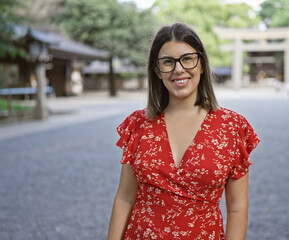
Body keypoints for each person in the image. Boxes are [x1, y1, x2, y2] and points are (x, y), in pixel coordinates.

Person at [107, 23, 260, 240]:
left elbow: (237, 205)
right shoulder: (138, 124)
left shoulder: (232, 126)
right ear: (157, 71)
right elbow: (125, 198)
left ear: (202, 65)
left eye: (187, 59)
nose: (179, 69)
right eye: (168, 62)